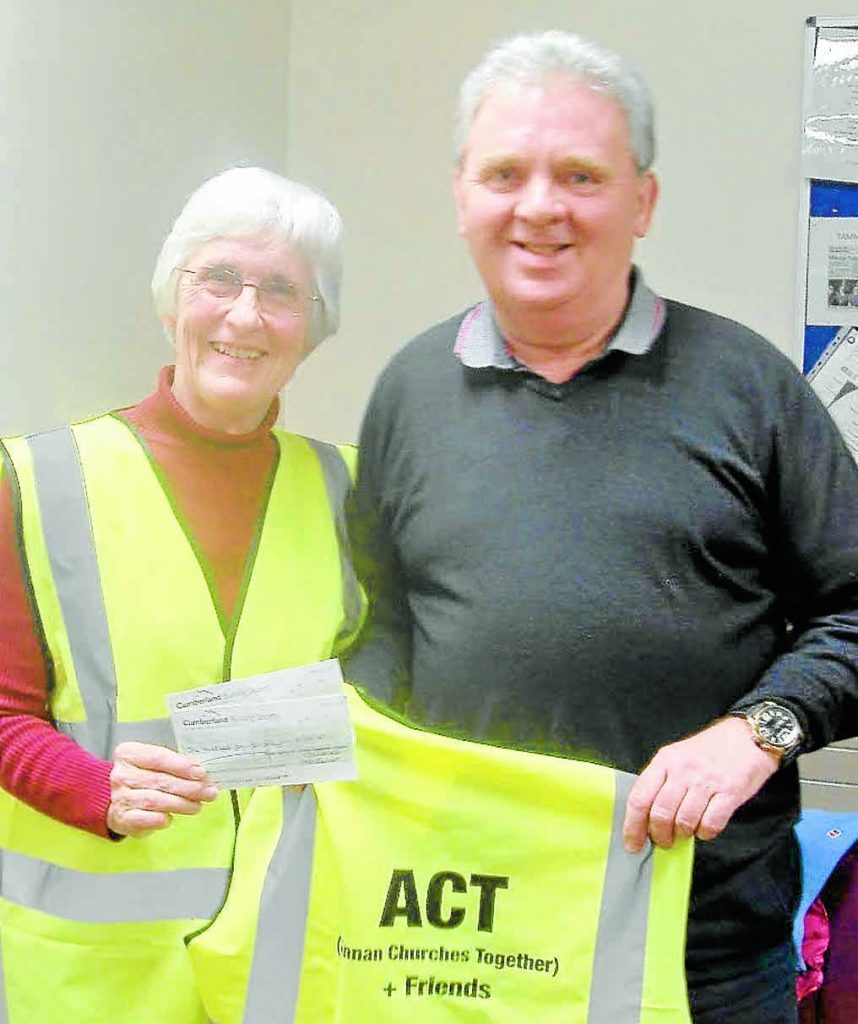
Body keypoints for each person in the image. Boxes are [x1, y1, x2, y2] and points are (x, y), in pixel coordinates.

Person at [344, 30, 858, 1024]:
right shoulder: (407, 391)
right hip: (465, 943)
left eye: (581, 173)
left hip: (702, 957)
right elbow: (387, 627)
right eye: (507, 173)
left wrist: (759, 729)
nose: (541, 205)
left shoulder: (747, 386)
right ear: (462, 195)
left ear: (642, 201)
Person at [0, 166, 361, 1024]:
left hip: (287, 973)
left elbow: (386, 714)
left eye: (281, 290)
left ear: (313, 327)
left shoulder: (358, 492)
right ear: (172, 302)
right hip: (92, 979)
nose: (244, 314)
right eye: (219, 280)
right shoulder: (32, 478)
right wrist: (93, 789)